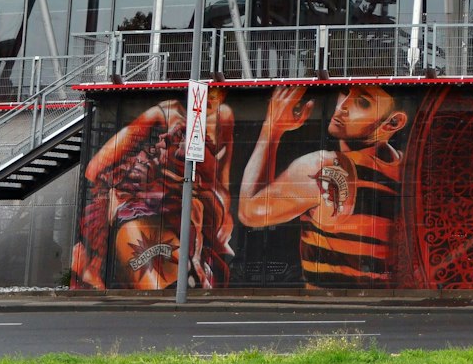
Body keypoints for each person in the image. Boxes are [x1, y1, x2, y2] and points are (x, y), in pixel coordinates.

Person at [238, 83, 411, 289]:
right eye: (345, 93)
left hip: (333, 304)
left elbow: (250, 211)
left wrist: (272, 128)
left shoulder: (326, 167)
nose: (342, 106)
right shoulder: (407, 167)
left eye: (362, 102)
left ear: (392, 123)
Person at [71, 85, 234, 290]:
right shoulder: (168, 115)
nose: (160, 141)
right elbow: (94, 170)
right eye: (151, 151)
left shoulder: (221, 121)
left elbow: (220, 190)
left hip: (173, 209)